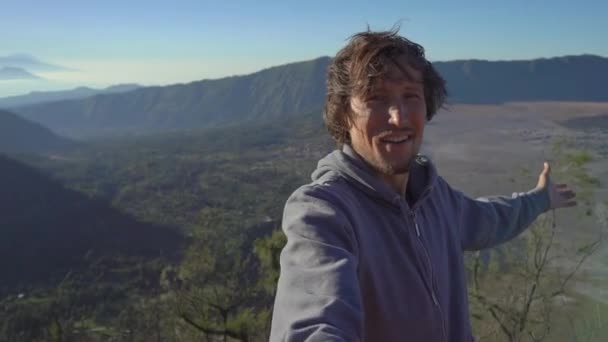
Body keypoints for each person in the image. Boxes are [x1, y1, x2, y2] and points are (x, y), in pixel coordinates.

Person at [269, 29, 577, 342]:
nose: (398, 117)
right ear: (344, 113)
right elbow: (315, 320)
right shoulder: (323, 212)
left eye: (411, 97)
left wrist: (540, 199)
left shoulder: (434, 196)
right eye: (375, 98)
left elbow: (489, 219)